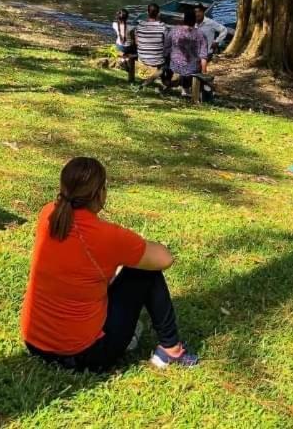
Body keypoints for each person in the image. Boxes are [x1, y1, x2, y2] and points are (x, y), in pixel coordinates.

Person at [21, 156, 198, 372]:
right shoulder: (108, 237)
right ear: (100, 193)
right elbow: (165, 258)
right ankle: (172, 349)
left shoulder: (48, 213)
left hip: (35, 345)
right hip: (84, 356)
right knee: (146, 273)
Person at [134, 3, 170, 80]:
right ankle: (165, 79)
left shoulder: (139, 25)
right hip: (158, 60)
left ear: (147, 12)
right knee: (168, 55)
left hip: (142, 57)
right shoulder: (163, 27)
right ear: (158, 14)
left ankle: (159, 75)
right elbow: (167, 45)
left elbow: (137, 43)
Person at [112, 9, 136, 75]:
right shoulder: (130, 27)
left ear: (117, 17)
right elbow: (133, 39)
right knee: (134, 47)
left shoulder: (114, 25)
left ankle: (123, 59)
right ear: (127, 18)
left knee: (124, 49)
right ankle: (127, 58)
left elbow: (116, 35)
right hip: (128, 48)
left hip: (119, 46)